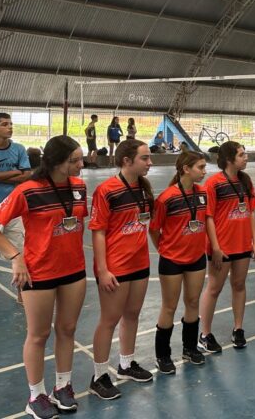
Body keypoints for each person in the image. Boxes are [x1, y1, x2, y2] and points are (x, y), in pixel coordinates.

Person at [0, 136, 87, 419]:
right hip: (39, 273)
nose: (82, 164)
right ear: (57, 163)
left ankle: (63, 386)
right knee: (39, 334)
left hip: (74, 271)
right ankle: (35, 395)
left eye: (81, 159)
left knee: (67, 329)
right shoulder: (28, 190)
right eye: (75, 161)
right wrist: (15, 256)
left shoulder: (79, 187)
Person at [89, 139, 155, 400]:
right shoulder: (107, 190)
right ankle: (99, 376)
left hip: (140, 264)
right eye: (145, 158)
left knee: (133, 314)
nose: (150, 163)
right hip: (115, 266)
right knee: (109, 320)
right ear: (127, 161)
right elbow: (98, 232)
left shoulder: (143, 189)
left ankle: (126, 364)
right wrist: (103, 270)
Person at [150, 151, 212, 375]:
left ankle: (189, 347)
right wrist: (165, 251)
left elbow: (205, 221)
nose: (204, 172)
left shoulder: (203, 194)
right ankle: (163, 355)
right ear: (186, 169)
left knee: (193, 301)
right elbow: (154, 229)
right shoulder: (167, 198)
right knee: (169, 306)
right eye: (201, 167)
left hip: (196, 257)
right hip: (172, 261)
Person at [198, 142, 255, 353]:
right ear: (228, 160)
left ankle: (238, 329)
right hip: (222, 247)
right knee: (214, 288)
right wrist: (215, 247)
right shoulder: (213, 184)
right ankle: (205, 334)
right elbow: (208, 217)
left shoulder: (245, 180)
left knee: (239, 285)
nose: (246, 158)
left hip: (242, 244)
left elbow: (251, 211)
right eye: (242, 155)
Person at [0, 112, 31, 270]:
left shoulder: (19, 149)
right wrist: (14, 172)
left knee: (20, 256)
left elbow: (26, 176)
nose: (10, 127)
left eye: (11, 124)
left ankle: (23, 295)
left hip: (14, 209)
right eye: (5, 124)